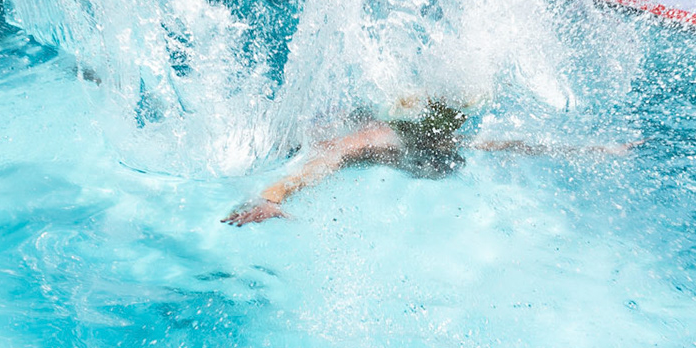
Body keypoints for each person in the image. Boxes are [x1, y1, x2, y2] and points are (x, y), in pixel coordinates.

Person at [222, 98, 635, 225]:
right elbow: (324, 161)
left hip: (393, 147)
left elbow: (511, 144)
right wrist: (273, 198)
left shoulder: (414, 136)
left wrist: (597, 151)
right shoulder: (384, 135)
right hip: (314, 143)